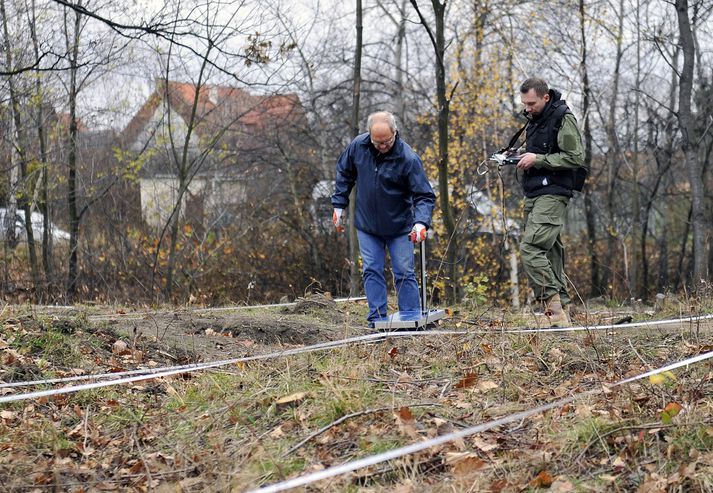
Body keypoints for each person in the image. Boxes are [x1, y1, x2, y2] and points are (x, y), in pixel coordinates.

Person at [331, 111, 436, 326]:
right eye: (377, 142)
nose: (382, 146)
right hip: (367, 225)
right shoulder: (357, 147)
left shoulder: (407, 158)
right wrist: (339, 205)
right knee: (371, 270)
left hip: (400, 227)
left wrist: (420, 222)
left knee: (404, 272)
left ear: (395, 133)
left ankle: (410, 320)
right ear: (369, 134)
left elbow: (424, 195)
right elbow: (344, 173)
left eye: (386, 141)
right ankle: (377, 321)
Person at [515, 78, 585, 326]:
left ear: (546, 97)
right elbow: (537, 153)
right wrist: (517, 157)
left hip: (554, 192)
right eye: (524, 103)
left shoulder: (563, 118)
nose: (527, 108)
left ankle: (553, 312)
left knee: (531, 248)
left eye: (531, 103)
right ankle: (565, 308)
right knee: (550, 250)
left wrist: (539, 160)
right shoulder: (535, 119)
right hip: (534, 192)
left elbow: (575, 157)